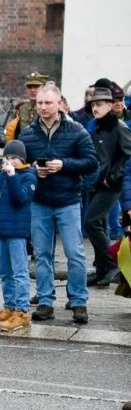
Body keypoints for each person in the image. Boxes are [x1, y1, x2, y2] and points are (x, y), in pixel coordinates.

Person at [19, 82, 98, 324]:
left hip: (67, 200)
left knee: (75, 253)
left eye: (48, 103)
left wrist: (64, 165)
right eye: (40, 103)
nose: (43, 107)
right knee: (42, 254)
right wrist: (33, 170)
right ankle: (45, 301)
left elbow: (91, 162)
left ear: (59, 103)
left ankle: (78, 301)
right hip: (40, 201)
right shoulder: (28, 134)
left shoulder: (76, 130)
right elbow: (18, 165)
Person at [0, 140, 37, 332]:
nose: (9, 162)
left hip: (17, 231)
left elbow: (20, 199)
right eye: (7, 158)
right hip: (0, 229)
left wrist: (12, 176)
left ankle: (22, 311)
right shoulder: (0, 176)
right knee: (5, 272)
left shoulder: (29, 175)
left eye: (13, 158)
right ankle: (9, 306)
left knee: (20, 272)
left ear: (22, 159)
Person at [83, 85, 131, 288]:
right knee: (99, 224)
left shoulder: (118, 127)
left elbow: (129, 156)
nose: (96, 108)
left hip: (112, 185)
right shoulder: (96, 126)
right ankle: (102, 268)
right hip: (97, 182)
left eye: (100, 104)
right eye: (93, 104)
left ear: (110, 105)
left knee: (91, 222)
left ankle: (111, 265)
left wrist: (112, 178)